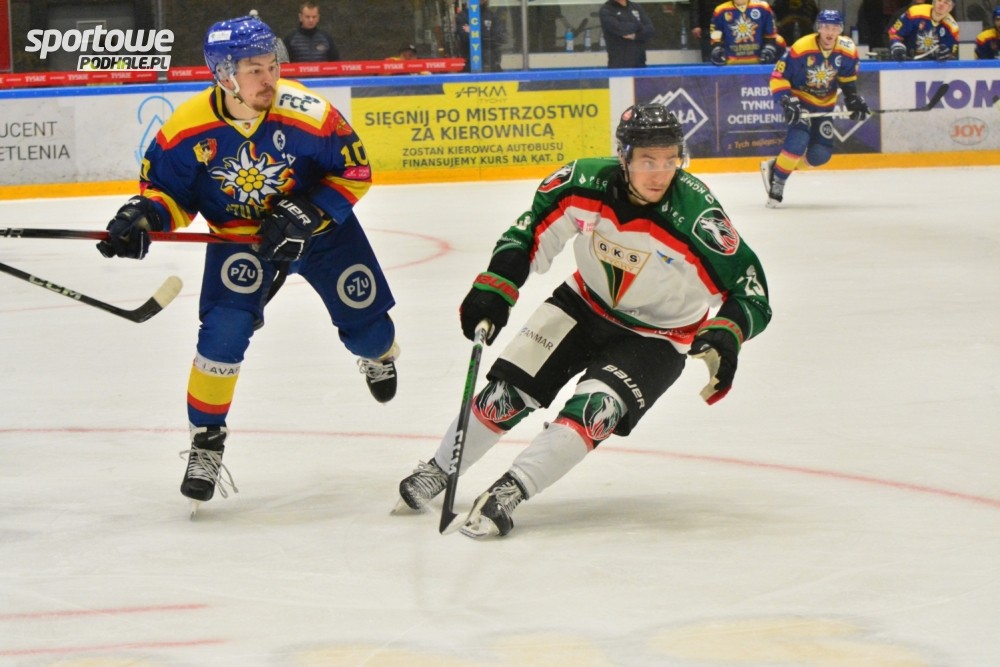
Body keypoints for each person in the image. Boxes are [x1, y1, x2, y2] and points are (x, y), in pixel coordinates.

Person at [393, 104, 772, 539]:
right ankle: (440, 468)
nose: (660, 174)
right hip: (583, 304)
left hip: (660, 337)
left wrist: (727, 334)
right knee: (505, 394)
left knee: (596, 410)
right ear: (624, 156)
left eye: (670, 160)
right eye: (648, 161)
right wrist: (497, 286)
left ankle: (511, 489)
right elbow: (530, 232)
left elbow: (750, 291)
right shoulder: (582, 182)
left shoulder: (697, 217)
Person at [96, 15, 400, 511]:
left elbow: (356, 170)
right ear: (224, 75)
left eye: (272, 65)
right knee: (223, 333)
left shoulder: (310, 115)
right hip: (242, 242)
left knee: (372, 333)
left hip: (322, 236)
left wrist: (311, 211)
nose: (269, 78)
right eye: (254, 69)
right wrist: (143, 218)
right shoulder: (187, 129)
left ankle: (377, 354)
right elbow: (169, 195)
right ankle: (206, 442)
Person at [760, 9, 869, 207]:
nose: (830, 32)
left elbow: (847, 77)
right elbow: (778, 77)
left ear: (840, 30)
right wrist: (787, 100)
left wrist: (852, 98)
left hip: (825, 105)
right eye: (826, 27)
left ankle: (778, 166)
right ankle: (778, 182)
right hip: (800, 101)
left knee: (820, 155)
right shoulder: (802, 48)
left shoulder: (847, 49)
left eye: (835, 28)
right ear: (819, 28)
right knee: (798, 140)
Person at [708, 0, 781, 65]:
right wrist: (717, 48)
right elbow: (715, 34)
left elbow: (771, 34)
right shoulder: (720, 10)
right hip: (730, 66)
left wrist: (769, 48)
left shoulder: (763, 8)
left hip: (759, 65)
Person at [888, 0, 959, 60]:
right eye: (939, 0)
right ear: (933, 1)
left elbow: (952, 54)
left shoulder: (953, 29)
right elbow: (894, 33)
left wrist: (946, 54)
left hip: (933, 67)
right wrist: (897, 45)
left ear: (950, 8)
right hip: (906, 62)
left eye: (946, 2)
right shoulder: (915, 12)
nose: (941, 4)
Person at [599, 0, 656, 68]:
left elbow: (650, 29)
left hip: (640, 63)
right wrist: (639, 26)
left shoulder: (636, 7)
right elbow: (620, 29)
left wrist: (635, 36)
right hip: (619, 64)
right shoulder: (606, 10)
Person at [456, 1, 507, 72]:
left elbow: (500, 38)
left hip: (492, 65)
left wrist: (474, 32)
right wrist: (487, 33)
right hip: (470, 65)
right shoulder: (463, 15)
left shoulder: (492, 16)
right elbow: (465, 37)